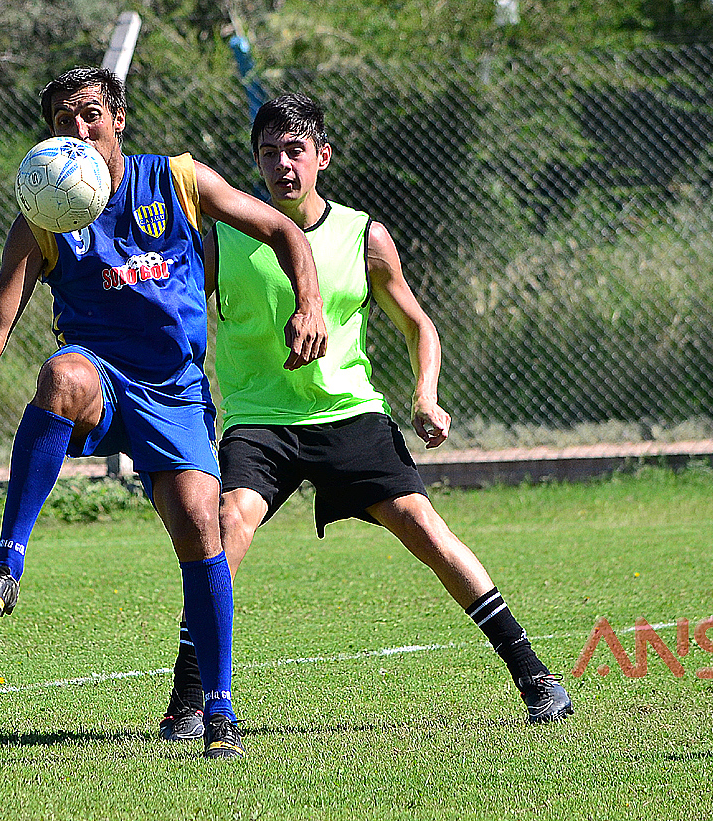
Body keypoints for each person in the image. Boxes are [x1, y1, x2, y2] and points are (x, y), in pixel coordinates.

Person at [0, 68, 328, 760]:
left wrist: (308, 303)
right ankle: (6, 564)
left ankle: (216, 708)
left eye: (91, 114)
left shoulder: (179, 180)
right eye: (64, 120)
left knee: (199, 526)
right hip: (102, 378)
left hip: (175, 388)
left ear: (118, 119)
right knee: (62, 372)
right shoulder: (44, 212)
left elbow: (285, 231)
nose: (79, 130)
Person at [158, 93, 571, 742]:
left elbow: (417, 323)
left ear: (322, 155)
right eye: (268, 153)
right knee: (225, 526)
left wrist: (425, 396)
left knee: (422, 525)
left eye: (295, 150)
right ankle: (188, 700)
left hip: (349, 413)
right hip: (259, 420)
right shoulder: (225, 235)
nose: (282, 165)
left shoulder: (364, 234)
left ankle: (533, 674)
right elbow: (177, 315)